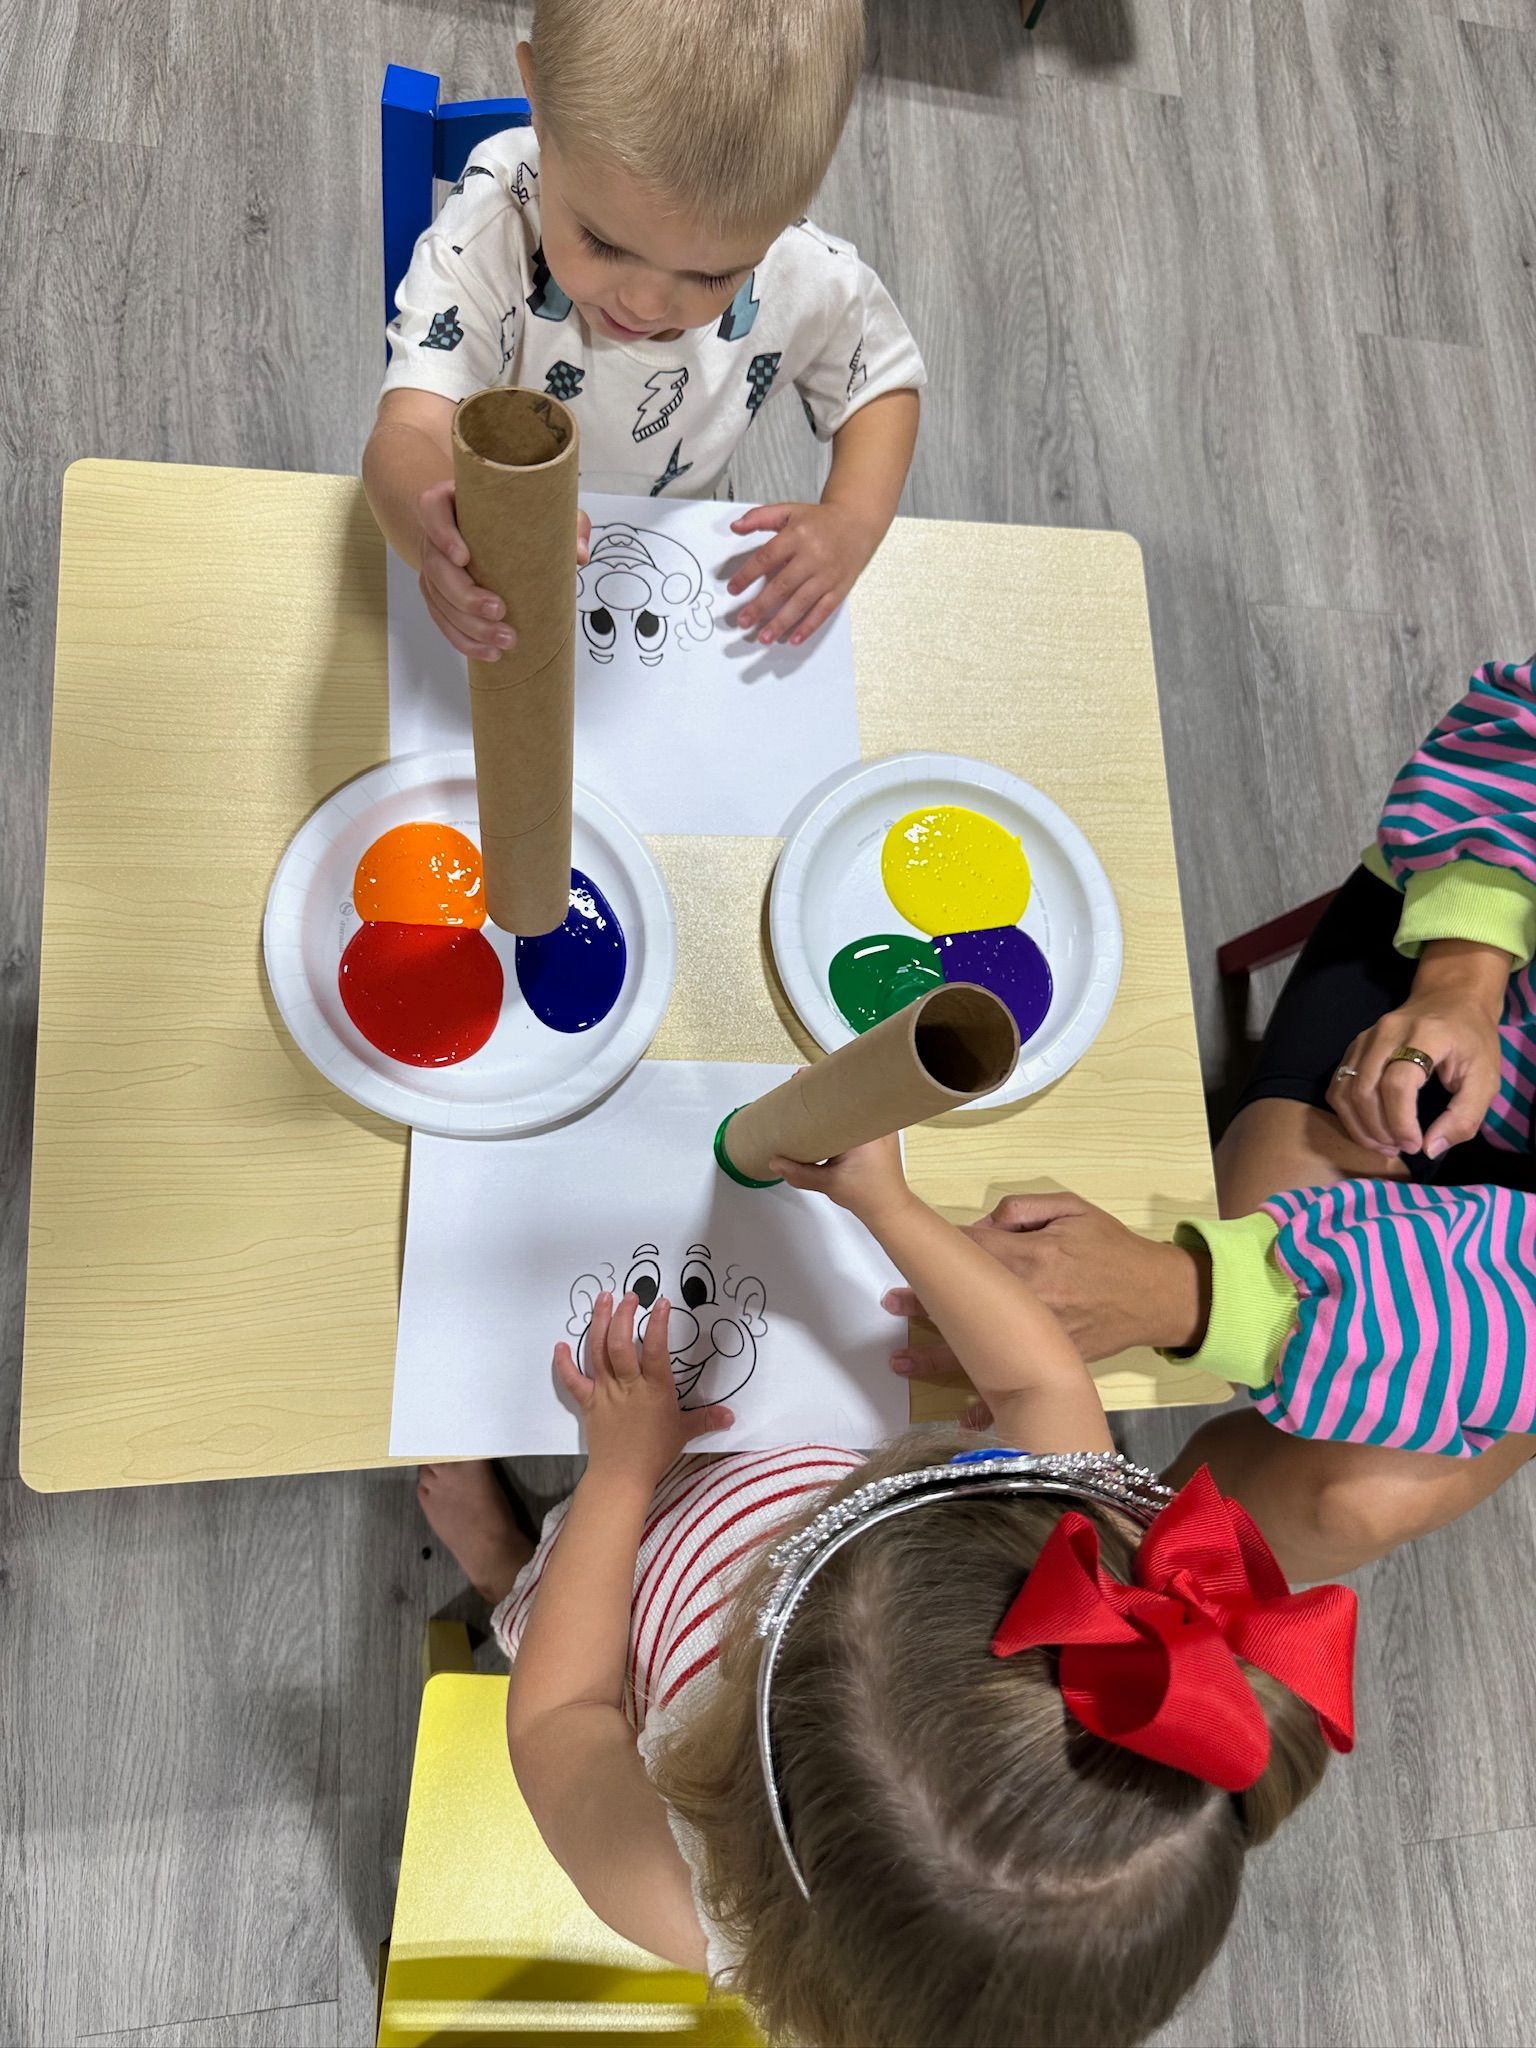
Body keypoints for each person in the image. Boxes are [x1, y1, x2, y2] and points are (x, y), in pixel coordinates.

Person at [419, 1135, 1355, 2048]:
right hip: (780, 1447)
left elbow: (562, 1713)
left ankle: (505, 1565)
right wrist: (888, 1206)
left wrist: (620, 1474)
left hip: (627, 1613)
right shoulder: (1085, 1604)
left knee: (549, 1613)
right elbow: (1040, 1382)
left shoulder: (687, 1894)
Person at [884, 658, 1536, 1581]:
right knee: (1267, 1259)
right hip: (1485, 965)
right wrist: (1465, 978)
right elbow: (1522, 727)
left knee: (1357, 1493)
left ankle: (1123, 1604)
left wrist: (1191, 1294)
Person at [362, 0, 924, 662]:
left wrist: (851, 522)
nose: (646, 302)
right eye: (601, 242)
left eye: (712, 276)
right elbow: (405, 435)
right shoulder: (497, 223)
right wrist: (439, 532)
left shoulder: (793, 266)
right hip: (497, 545)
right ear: (536, 96)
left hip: (665, 549)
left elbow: (882, 382)